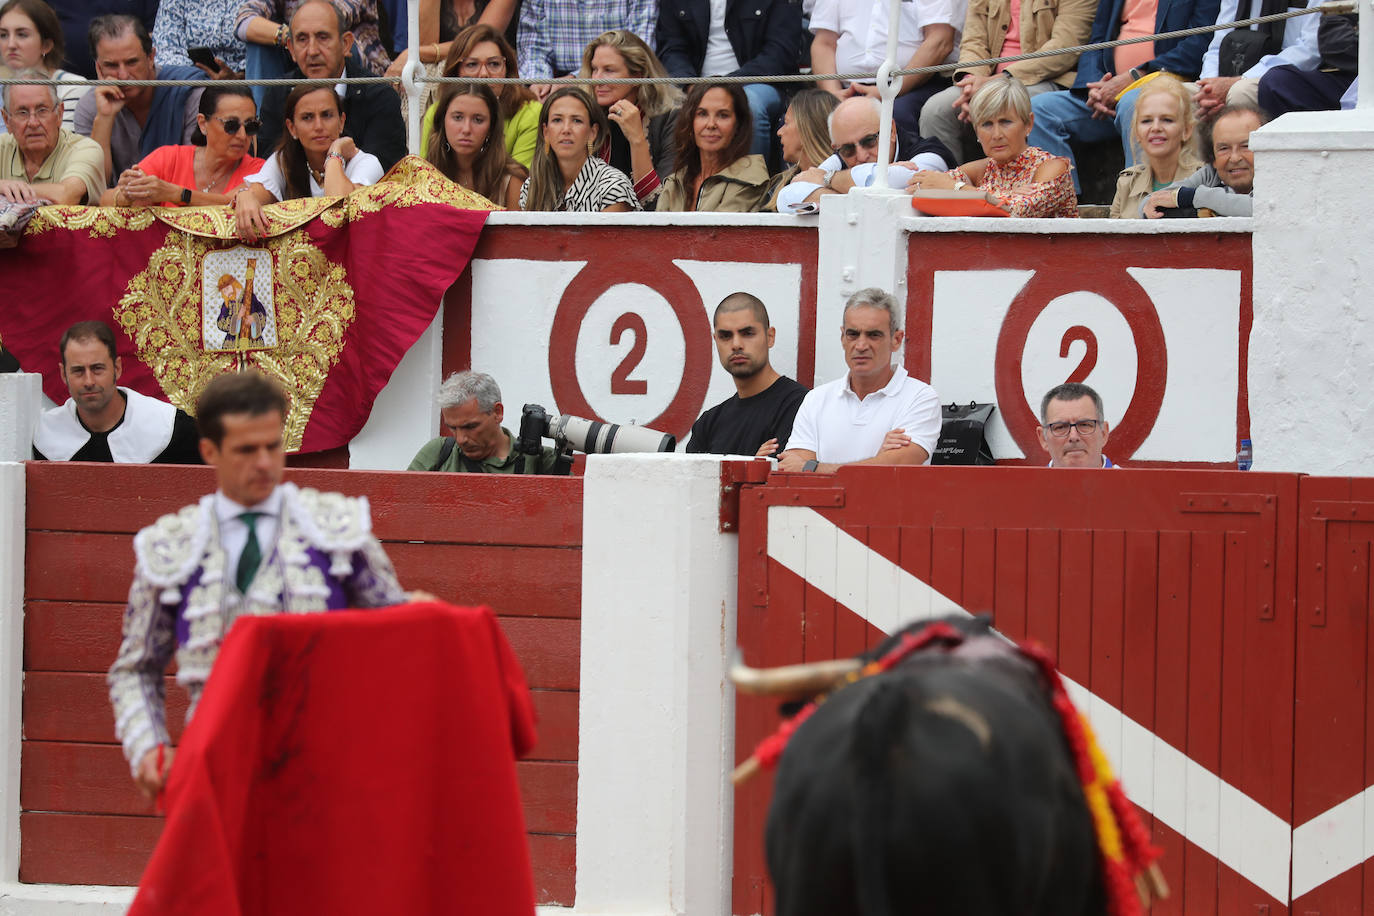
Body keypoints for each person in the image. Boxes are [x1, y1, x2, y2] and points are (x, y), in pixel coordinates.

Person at [107, 370, 412, 798]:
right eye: (247, 450)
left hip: (327, 775)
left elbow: (396, 639)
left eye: (272, 446)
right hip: (214, 777)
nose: (265, 463)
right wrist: (148, 748)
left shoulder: (336, 530)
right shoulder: (173, 545)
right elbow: (136, 669)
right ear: (210, 451)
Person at [1025, 0, 1218, 194]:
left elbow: (1199, 43)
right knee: (1039, 109)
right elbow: (1097, 41)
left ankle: (1138, 204)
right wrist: (1094, 86)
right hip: (1108, 89)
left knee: (1135, 104)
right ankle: (1059, 208)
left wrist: (1136, 75)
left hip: (1163, 88)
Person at [778, 287, 941, 472]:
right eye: (853, 334)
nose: (861, 345)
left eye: (873, 335)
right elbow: (793, 470)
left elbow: (895, 468)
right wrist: (878, 460)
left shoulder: (920, 398)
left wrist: (813, 468)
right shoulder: (816, 399)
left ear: (897, 339)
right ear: (842, 337)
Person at [918, 0, 1094, 163]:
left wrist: (999, 81)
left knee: (1023, 106)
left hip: (1044, 79)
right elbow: (973, 41)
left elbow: (1065, 48)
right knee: (936, 111)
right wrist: (970, 83)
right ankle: (947, 191)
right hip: (985, 80)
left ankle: (1044, 191)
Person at [255, 0, 406, 171]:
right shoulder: (277, 94)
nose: (312, 51)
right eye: (302, 39)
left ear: (346, 44)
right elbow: (267, 171)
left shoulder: (379, 96)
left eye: (323, 37)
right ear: (291, 48)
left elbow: (386, 174)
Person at [32, 321, 201, 464]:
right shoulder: (44, 434)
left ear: (117, 368)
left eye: (97, 369)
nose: (89, 381)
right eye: (78, 371)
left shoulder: (171, 428)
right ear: (63, 374)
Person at [907, 77, 1077, 217]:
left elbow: (1017, 211)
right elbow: (924, 186)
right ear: (976, 131)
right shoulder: (980, 169)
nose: (996, 134)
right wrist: (1005, 195)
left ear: (1028, 124)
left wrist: (956, 188)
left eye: (1006, 122)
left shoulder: (1054, 167)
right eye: (987, 124)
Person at [655, 0, 801, 161]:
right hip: (694, 84)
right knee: (663, 105)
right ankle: (674, 184)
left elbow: (780, 53)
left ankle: (752, 183)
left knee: (750, 106)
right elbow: (671, 48)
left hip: (758, 82)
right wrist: (690, 84)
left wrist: (725, 86)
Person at [73, 14, 208, 187]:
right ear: (98, 68)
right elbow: (93, 187)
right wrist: (105, 118)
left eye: (132, 62)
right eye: (111, 66)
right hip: (115, 209)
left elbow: (197, 173)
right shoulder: (91, 105)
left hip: (178, 207)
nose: (123, 75)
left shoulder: (189, 92)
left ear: (151, 57)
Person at [234, 86, 385, 240]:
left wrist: (335, 154)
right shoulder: (282, 160)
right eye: (307, 117)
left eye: (327, 115)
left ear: (341, 122)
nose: (318, 126)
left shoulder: (367, 163)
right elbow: (258, 193)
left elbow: (339, 213)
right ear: (292, 128)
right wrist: (245, 196)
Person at [808, 0, 963, 141]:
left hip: (914, 84)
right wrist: (833, 94)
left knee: (894, 114)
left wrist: (890, 89)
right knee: (807, 114)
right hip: (845, 89)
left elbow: (940, 41)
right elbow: (824, 43)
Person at [776, 95, 954, 212]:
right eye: (848, 149)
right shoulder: (840, 158)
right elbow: (787, 198)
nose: (860, 156)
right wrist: (866, 191)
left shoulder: (930, 151)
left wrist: (828, 180)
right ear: (836, 146)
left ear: (891, 130)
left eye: (869, 141)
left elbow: (906, 178)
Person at [100, 86, 267, 207]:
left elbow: (230, 204)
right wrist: (127, 195)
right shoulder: (169, 157)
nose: (243, 135)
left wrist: (176, 194)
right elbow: (105, 200)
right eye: (231, 125)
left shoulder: (260, 170)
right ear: (203, 124)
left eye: (251, 126)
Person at [686, 292, 809, 458]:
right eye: (725, 336)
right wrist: (752, 465)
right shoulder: (708, 424)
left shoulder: (801, 406)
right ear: (716, 340)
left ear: (770, 337)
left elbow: (782, 478)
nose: (736, 344)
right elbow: (692, 482)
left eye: (747, 333)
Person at [579, 30, 681, 207]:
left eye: (609, 70)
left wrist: (637, 139)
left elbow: (662, 206)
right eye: (594, 69)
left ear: (638, 75)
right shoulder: (587, 116)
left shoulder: (671, 118)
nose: (597, 79)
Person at [418, 24, 540, 169]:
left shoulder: (530, 114)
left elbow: (519, 183)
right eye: (472, 64)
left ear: (507, 70)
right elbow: (426, 176)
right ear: (456, 72)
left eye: (494, 64)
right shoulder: (436, 112)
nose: (483, 74)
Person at [407, 370, 561, 473]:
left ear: (497, 412)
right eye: (453, 428)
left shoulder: (540, 462)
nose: (461, 439)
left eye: (470, 426)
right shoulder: (438, 453)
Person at [1193, 0, 1321, 120]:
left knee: (1241, 92)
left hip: (1290, 78)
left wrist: (1241, 79)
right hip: (1234, 77)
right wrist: (1208, 86)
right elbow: (1217, 47)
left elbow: (1310, 51)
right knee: (1181, 96)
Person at [520, 85, 640, 212]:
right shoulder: (531, 186)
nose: (566, 129)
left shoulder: (613, 186)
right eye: (557, 120)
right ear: (546, 132)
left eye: (577, 121)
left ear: (592, 133)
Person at [237, 0, 392, 96]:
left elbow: (325, 17)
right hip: (298, 61)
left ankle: (337, 113)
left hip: (360, 63)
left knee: (332, 42)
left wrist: (300, 40)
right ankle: (260, 125)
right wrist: (287, 36)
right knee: (260, 44)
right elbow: (243, 21)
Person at [657, 83, 769, 213]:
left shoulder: (750, 180)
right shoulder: (675, 182)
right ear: (690, 121)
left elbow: (717, 232)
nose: (711, 124)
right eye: (702, 114)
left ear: (738, 125)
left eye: (723, 115)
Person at [1142, 102, 1262, 217]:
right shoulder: (1211, 174)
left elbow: (1264, 210)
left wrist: (1194, 198)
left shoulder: (1277, 175)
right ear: (1213, 158)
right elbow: (1149, 202)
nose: (1235, 158)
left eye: (1246, 146)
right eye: (1224, 148)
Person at [0, 75, 104, 205]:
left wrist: (11, 191)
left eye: (42, 110)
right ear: (6, 120)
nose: (33, 123)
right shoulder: (2, 147)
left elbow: (66, 195)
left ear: (59, 114)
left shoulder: (85, 149)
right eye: (22, 112)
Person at [1109, 76, 1202, 218]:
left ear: (1187, 130)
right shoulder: (1126, 184)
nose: (1156, 128)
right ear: (1137, 133)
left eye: (1167, 120)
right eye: (1146, 121)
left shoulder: (1205, 181)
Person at [425, 82, 526, 209]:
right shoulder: (426, 175)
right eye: (457, 117)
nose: (466, 129)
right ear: (442, 121)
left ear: (491, 127)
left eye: (478, 120)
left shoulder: (511, 180)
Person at [516, 0, 655, 90]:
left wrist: (577, 79)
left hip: (619, 84)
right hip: (555, 83)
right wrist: (540, 83)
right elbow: (532, 46)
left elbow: (640, 49)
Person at [0, 0, 88, 133]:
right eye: (3, 35)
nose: (11, 44)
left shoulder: (73, 87)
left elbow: (63, 149)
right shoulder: (3, 86)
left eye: (22, 34)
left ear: (46, 45)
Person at [763, 88, 838, 210]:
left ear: (807, 130)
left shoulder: (846, 180)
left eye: (786, 123)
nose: (779, 132)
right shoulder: (778, 184)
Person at [150, 0, 248, 80]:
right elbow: (166, 51)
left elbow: (261, 46)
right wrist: (201, 77)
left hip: (248, 81)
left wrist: (240, 75)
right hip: (192, 82)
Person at [1037, 381, 1115, 467]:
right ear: (1043, 439)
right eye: (1061, 427)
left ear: (1103, 433)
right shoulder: (1028, 481)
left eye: (1084, 425)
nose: (1073, 437)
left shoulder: (1130, 481)